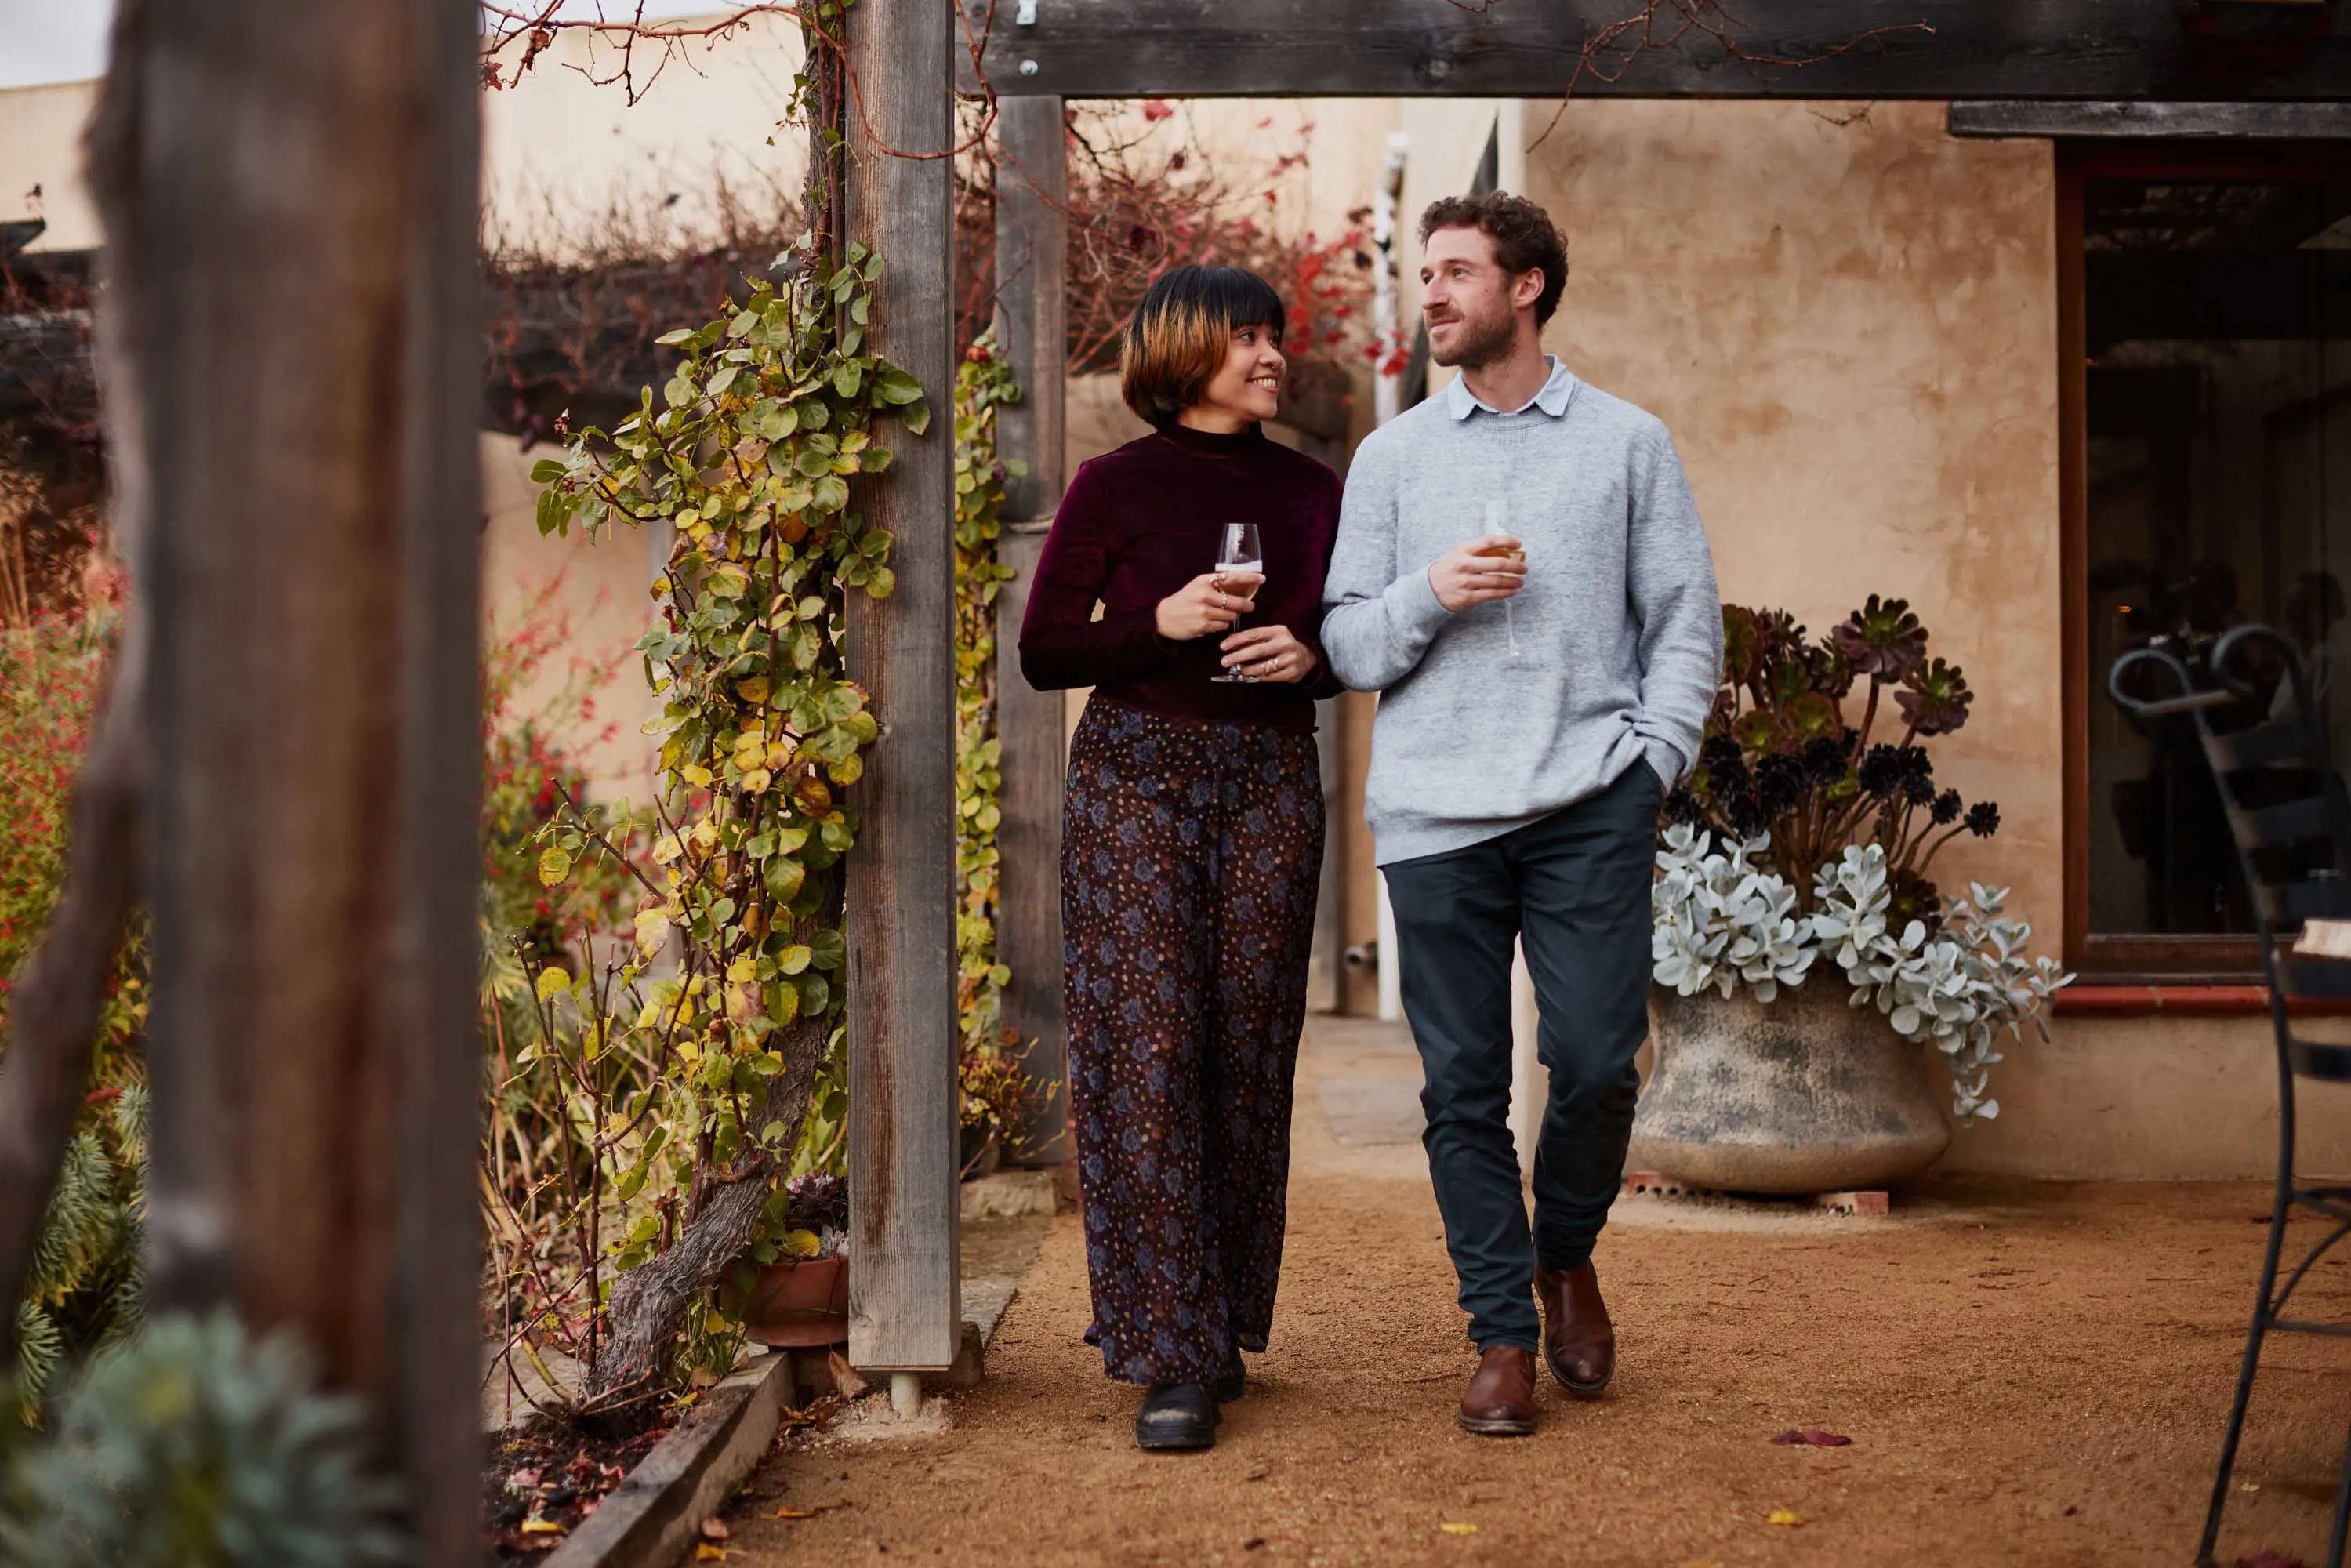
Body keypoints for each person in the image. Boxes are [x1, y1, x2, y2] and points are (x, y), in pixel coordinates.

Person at [1320, 192, 1722, 1436]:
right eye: (1425, 275)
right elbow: (1343, 641)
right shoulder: (1392, 458)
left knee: (1599, 1064)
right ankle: (1500, 1331)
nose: (1430, 295)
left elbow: (1683, 617)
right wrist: (1430, 594)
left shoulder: (1626, 443)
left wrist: (1651, 760)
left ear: (1528, 286)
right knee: (1460, 1091)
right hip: (1438, 813)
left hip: (1586, 800)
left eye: (1454, 273)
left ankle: (1567, 1255)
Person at [1018, 265, 1343, 1451]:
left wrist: (1308, 659)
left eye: (1275, 336)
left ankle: (1216, 1320)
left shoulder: (1314, 489)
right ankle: (1169, 1354)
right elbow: (1045, 649)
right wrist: (1158, 623)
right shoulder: (1112, 485)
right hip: (1135, 780)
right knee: (1146, 1051)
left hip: (1267, 780)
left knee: (1245, 1049)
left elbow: (1342, 631)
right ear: (1183, 351)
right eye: (1245, 338)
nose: (1270, 357)